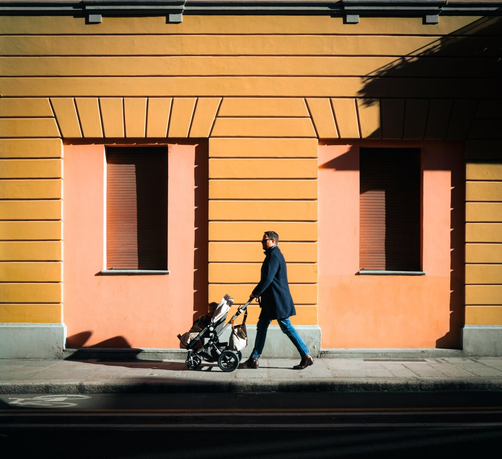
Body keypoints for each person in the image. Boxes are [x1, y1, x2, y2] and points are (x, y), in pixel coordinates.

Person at [239, 231, 314, 370]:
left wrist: (255, 293)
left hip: (278, 299)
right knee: (262, 326)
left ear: (272, 241)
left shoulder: (274, 255)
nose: (262, 243)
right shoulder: (273, 254)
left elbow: (268, 278)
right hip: (272, 301)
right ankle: (254, 358)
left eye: (264, 240)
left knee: (286, 327)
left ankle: (306, 355)